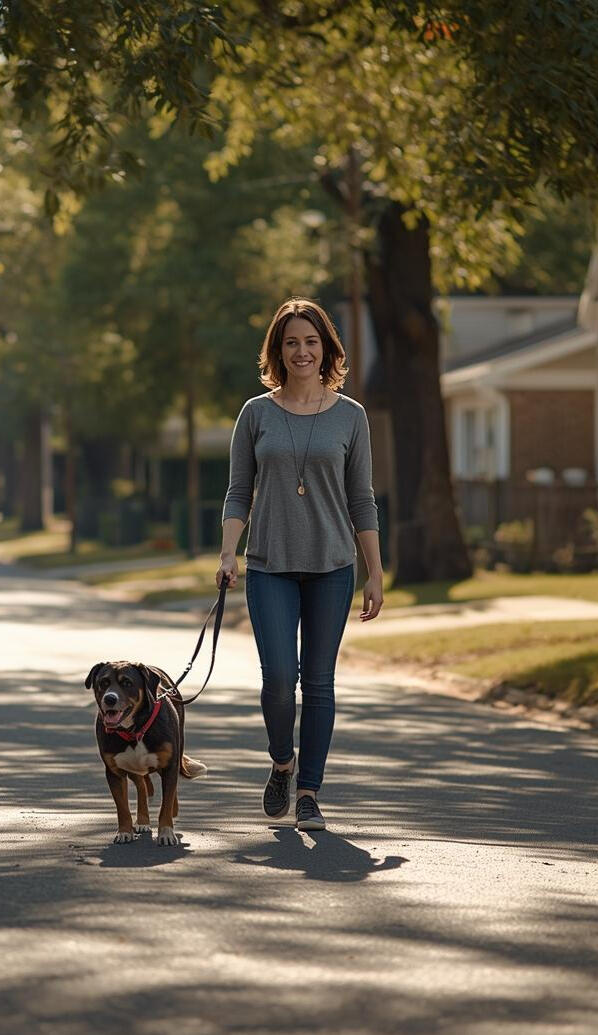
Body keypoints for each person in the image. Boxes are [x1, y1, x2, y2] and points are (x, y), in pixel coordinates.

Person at [216, 296, 383, 832]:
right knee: (278, 677)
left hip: (333, 565)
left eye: (311, 341)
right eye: (291, 342)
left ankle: (309, 791)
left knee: (319, 682)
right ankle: (281, 763)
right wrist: (227, 553)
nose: (302, 351)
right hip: (268, 563)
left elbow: (363, 500)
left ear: (326, 348)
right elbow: (239, 491)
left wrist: (375, 572)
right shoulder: (255, 413)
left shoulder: (351, 417)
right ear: (278, 350)